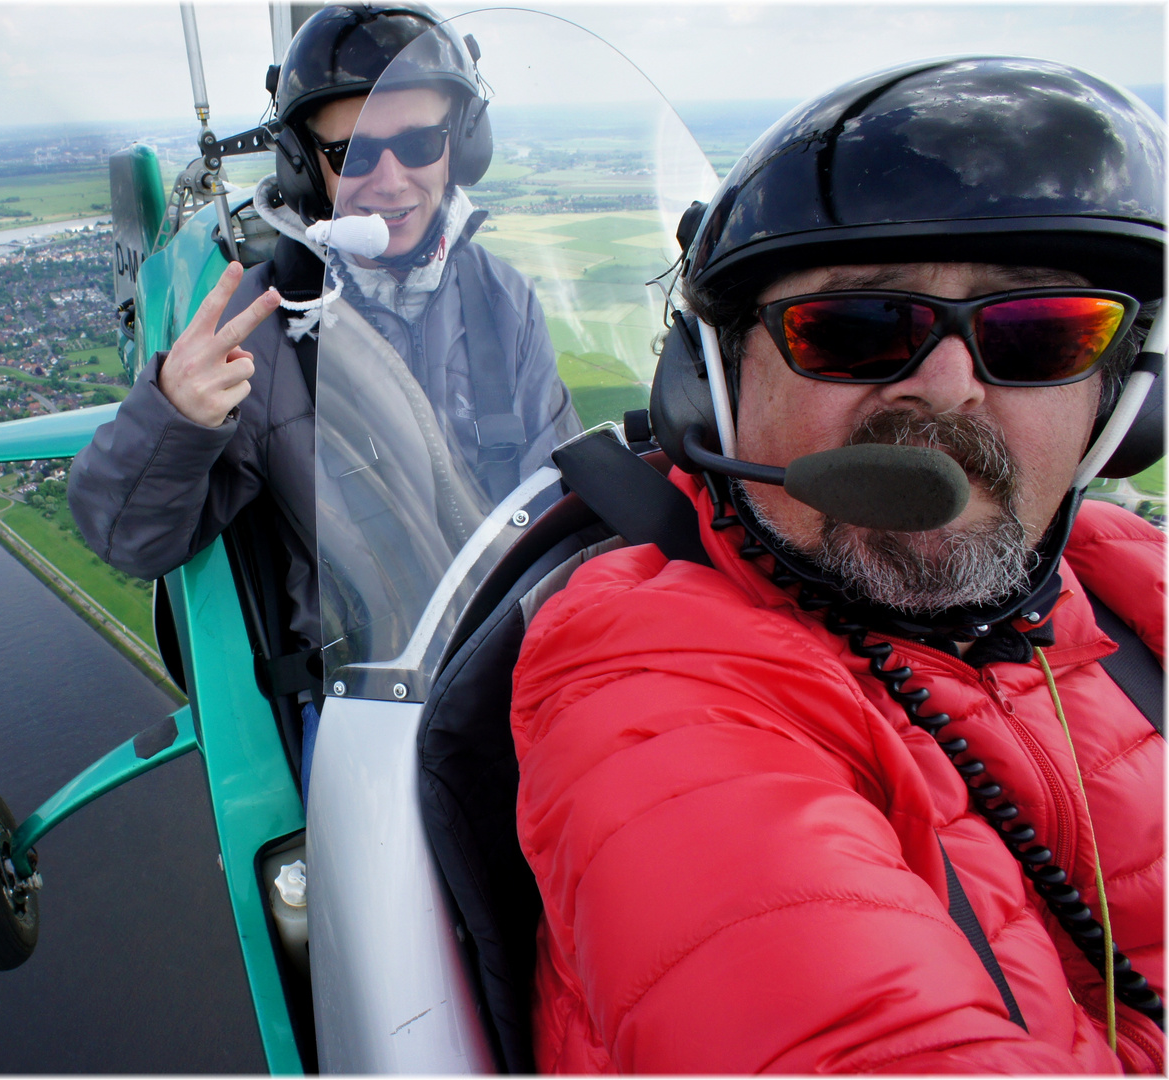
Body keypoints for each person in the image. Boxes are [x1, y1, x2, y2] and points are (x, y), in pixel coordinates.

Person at [511, 57, 1164, 1072]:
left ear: (1121, 412)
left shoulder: (1129, 578)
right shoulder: (652, 684)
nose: (950, 392)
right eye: (858, 329)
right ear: (709, 388)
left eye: (1039, 335)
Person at [70, 3, 578, 794]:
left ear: (460, 147)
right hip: (367, 710)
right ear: (306, 165)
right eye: (354, 152)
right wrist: (174, 410)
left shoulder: (501, 302)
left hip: (515, 674)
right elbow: (125, 537)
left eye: (419, 143)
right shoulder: (259, 334)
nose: (392, 179)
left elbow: (563, 515)